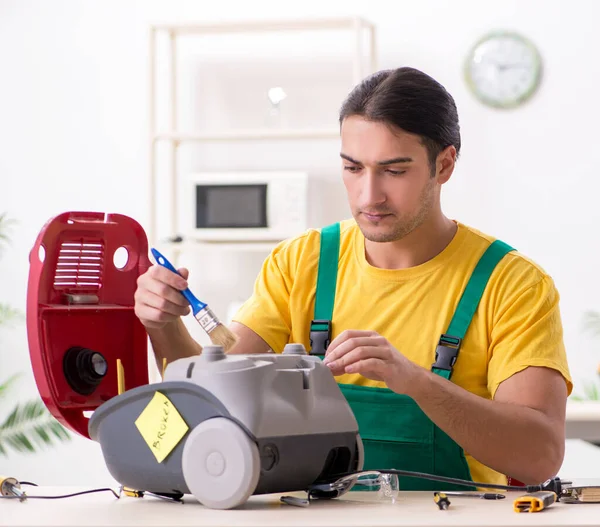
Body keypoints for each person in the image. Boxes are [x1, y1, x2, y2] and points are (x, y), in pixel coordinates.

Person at [134, 67, 572, 489]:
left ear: (445, 165)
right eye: (353, 168)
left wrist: (417, 383)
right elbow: (217, 402)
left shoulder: (512, 284)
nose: (369, 195)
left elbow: (539, 457)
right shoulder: (300, 263)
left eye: (394, 170)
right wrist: (163, 325)